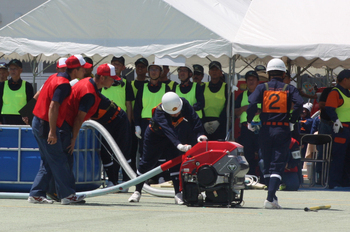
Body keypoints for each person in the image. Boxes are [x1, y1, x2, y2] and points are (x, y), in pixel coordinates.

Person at [29, 55, 90, 205]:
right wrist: (52, 131)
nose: (85, 72)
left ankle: (36, 194)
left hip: (38, 121)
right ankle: (67, 195)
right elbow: (53, 106)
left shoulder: (53, 77)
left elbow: (42, 98)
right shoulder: (63, 84)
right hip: (45, 124)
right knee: (59, 160)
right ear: (75, 70)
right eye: (83, 69)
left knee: (48, 161)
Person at [128, 92, 207, 204]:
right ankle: (137, 191)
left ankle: (178, 194)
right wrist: (179, 145)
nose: (175, 115)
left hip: (173, 136)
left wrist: (200, 134)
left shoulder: (184, 103)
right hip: (155, 137)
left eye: (177, 112)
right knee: (146, 163)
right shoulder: (159, 112)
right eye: (172, 113)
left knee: (175, 162)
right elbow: (168, 130)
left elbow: (194, 118)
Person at [246, 58, 303, 209]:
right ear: (284, 73)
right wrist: (292, 119)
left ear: (269, 73)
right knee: (278, 164)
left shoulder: (262, 87)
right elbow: (299, 103)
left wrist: (249, 121)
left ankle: (272, 196)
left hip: (265, 129)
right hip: (282, 129)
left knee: (267, 162)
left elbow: (251, 103)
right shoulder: (289, 88)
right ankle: (270, 198)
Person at [91, 93, 131, 188]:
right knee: (105, 152)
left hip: (119, 119)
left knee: (123, 151)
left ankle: (126, 181)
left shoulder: (90, 96)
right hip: (105, 123)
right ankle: (112, 181)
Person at [133, 62, 170, 159]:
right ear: (148, 72)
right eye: (152, 69)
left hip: (161, 124)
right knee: (144, 151)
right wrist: (137, 125)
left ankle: (160, 174)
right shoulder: (142, 88)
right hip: (145, 124)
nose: (154, 72)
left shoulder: (166, 88)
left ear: (160, 72)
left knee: (161, 151)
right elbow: (137, 108)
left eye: (156, 69)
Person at [325, 69, 350, 189]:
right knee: (339, 156)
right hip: (341, 129)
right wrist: (336, 120)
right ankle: (335, 182)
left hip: (348, 129)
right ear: (345, 80)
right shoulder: (335, 92)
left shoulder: (348, 92)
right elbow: (329, 108)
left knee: (347, 157)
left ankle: (346, 182)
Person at [234, 70, 261, 176]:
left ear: (258, 81)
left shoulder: (262, 95)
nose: (251, 82)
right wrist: (245, 108)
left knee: (261, 154)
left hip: (260, 128)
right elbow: (234, 112)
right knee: (247, 156)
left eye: (253, 79)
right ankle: (249, 177)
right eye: (248, 80)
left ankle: (262, 178)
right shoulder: (242, 96)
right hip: (246, 130)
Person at [126, 58, 149, 172]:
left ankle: (144, 172)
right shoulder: (130, 84)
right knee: (131, 148)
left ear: (146, 69)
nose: (140, 69)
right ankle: (132, 172)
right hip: (132, 120)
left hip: (144, 120)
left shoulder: (148, 85)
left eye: (143, 67)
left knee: (145, 149)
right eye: (138, 66)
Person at [0, 59, 34, 125]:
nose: (12, 71)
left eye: (15, 68)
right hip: (5, 119)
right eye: (10, 69)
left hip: (21, 120)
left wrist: (29, 119)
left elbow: (31, 105)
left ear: (21, 70)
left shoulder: (27, 86)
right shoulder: (2, 85)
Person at [202, 61, 227, 141]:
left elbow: (228, 106)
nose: (214, 72)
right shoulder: (203, 87)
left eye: (217, 70)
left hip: (220, 124)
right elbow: (200, 104)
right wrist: (204, 122)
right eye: (212, 70)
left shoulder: (226, 87)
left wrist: (219, 121)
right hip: (205, 124)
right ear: (209, 72)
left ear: (220, 72)